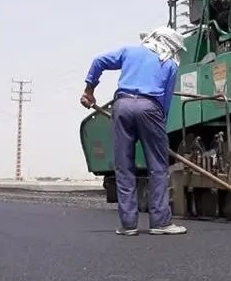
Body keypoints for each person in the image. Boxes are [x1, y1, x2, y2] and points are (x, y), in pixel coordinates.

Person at [80, 27, 188, 236]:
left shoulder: (130, 51)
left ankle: (128, 225)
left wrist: (89, 91)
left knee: (124, 167)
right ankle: (160, 223)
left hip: (122, 106)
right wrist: (159, 131)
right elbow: (166, 101)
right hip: (150, 108)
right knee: (158, 167)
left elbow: (99, 60)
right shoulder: (170, 64)